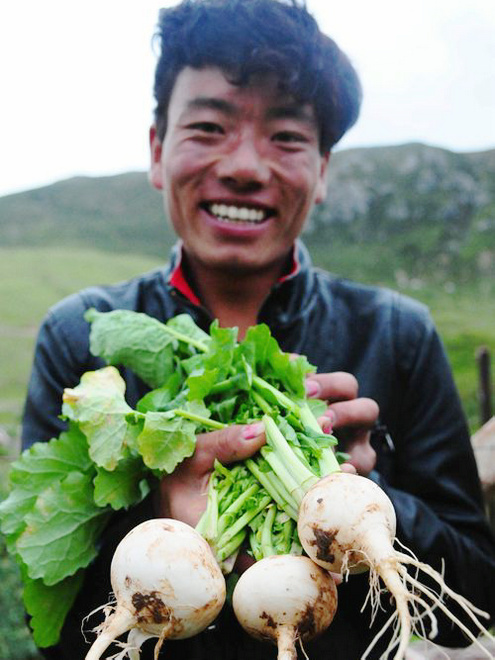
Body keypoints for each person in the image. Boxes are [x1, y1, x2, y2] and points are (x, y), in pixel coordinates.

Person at [21, 0, 495, 658]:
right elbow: (55, 632)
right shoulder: (79, 336)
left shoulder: (398, 332)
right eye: (210, 126)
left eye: (286, 137)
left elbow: (468, 607)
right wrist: (156, 512)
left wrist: (355, 497)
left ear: (322, 169)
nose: (244, 166)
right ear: (158, 152)